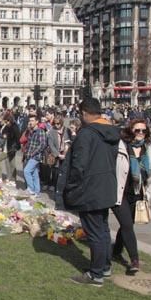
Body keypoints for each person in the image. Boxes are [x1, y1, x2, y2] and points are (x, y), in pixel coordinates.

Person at [62, 98, 120, 287]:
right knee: (102, 229)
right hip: (106, 186)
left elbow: (79, 164)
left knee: (95, 231)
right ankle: (104, 266)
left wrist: (71, 187)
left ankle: (96, 274)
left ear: (85, 113)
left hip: (90, 189)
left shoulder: (87, 133)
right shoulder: (109, 131)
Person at [112, 120, 151, 273]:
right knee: (127, 225)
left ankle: (116, 251)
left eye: (143, 131)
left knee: (126, 225)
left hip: (138, 194)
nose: (140, 133)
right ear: (130, 130)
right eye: (137, 130)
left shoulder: (149, 148)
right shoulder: (122, 146)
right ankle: (135, 260)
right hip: (121, 192)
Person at [23, 115, 47, 197]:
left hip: (36, 156)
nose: (30, 122)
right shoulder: (31, 131)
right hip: (29, 155)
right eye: (30, 120)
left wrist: (33, 153)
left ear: (37, 121)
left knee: (26, 171)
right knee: (34, 174)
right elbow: (29, 144)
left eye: (32, 120)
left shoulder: (40, 131)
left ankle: (31, 189)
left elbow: (43, 144)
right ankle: (37, 191)